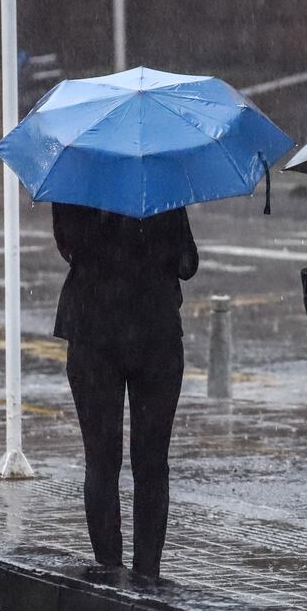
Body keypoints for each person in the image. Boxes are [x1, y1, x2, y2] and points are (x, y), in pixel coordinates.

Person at [52, 203, 198, 581]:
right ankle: (147, 572)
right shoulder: (160, 181)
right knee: (152, 463)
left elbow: (68, 247)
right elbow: (187, 263)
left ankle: (109, 567)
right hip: (156, 333)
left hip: (92, 331)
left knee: (101, 460)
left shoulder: (79, 181)